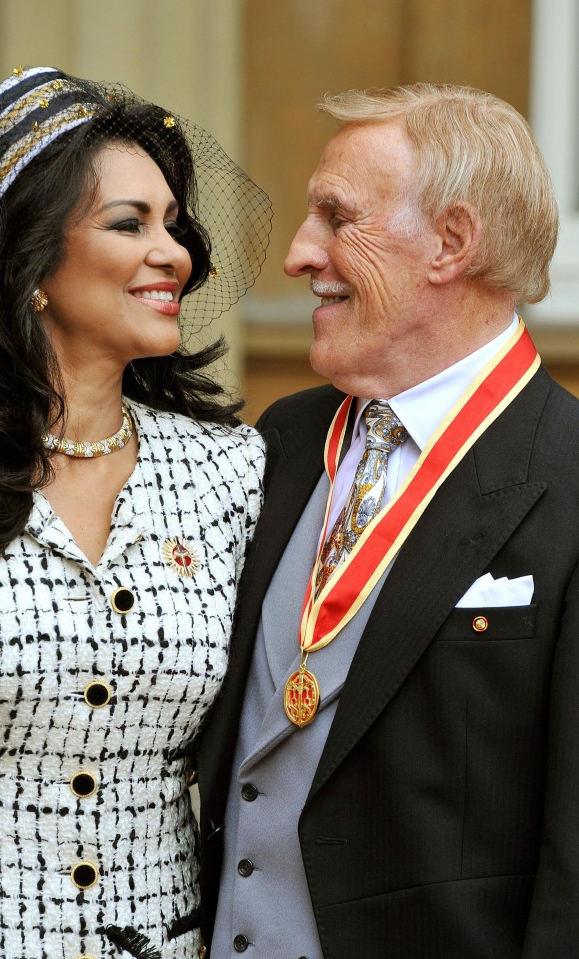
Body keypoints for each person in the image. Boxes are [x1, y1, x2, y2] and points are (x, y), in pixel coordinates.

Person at [0, 66, 270, 959]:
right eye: (130, 224)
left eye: (173, 224)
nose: (173, 251)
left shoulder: (230, 470)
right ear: (33, 268)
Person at [193, 84, 579, 957]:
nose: (297, 254)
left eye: (336, 217)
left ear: (452, 242)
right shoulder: (284, 440)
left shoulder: (569, 479)